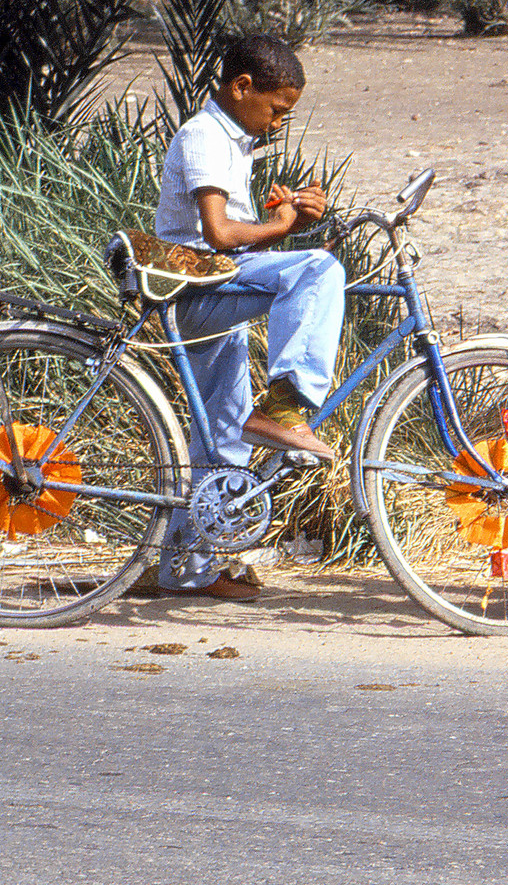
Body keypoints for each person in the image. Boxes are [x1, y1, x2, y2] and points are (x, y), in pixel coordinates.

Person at [152, 33, 344, 600]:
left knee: (222, 430)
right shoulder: (205, 137)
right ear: (241, 87)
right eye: (277, 108)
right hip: (195, 286)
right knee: (319, 271)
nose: (281, 122)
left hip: (209, 284)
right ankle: (285, 407)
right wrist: (284, 231)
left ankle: (188, 567)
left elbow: (236, 233)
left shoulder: (230, 139)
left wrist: (290, 219)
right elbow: (219, 234)